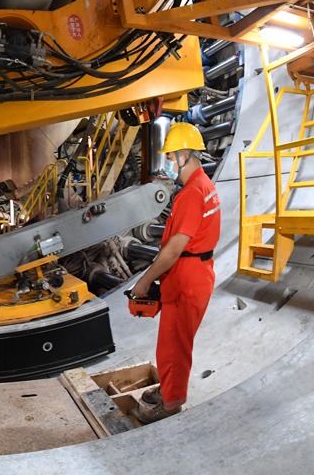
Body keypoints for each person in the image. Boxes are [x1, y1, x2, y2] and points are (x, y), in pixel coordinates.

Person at [130, 122, 221, 424]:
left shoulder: (192, 194)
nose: (168, 163)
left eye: (170, 158)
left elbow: (172, 250)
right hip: (196, 273)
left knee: (175, 345)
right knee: (172, 343)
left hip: (187, 280)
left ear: (184, 154)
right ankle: (169, 388)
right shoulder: (205, 186)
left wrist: (144, 281)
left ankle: (170, 404)